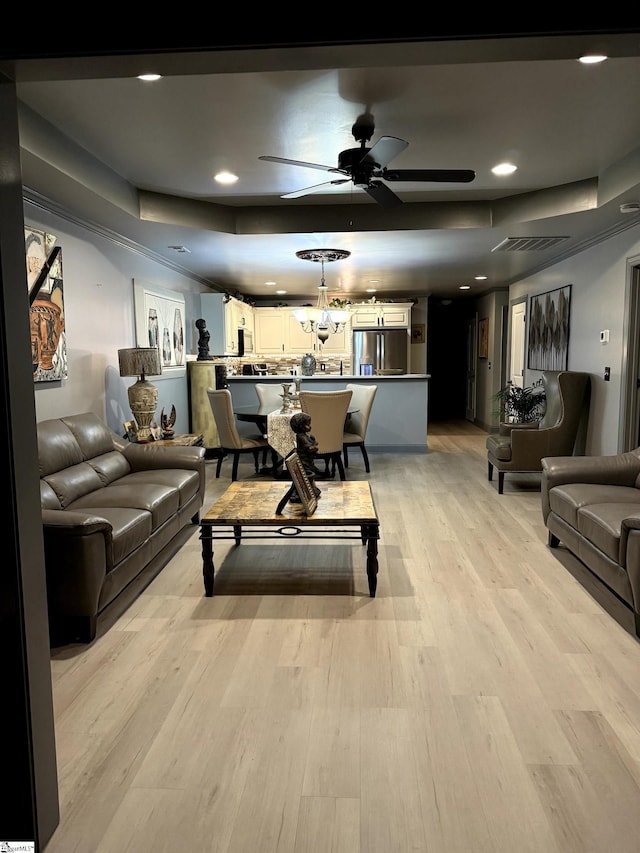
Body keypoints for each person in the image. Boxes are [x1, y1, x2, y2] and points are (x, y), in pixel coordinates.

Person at [289, 411, 321, 499]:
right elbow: (309, 448)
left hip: (308, 460)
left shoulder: (304, 436)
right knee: (306, 476)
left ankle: (309, 490)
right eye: (308, 424)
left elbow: (310, 444)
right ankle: (304, 492)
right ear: (301, 426)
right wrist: (315, 448)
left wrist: (313, 442)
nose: (310, 426)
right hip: (304, 461)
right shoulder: (302, 437)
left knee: (306, 476)